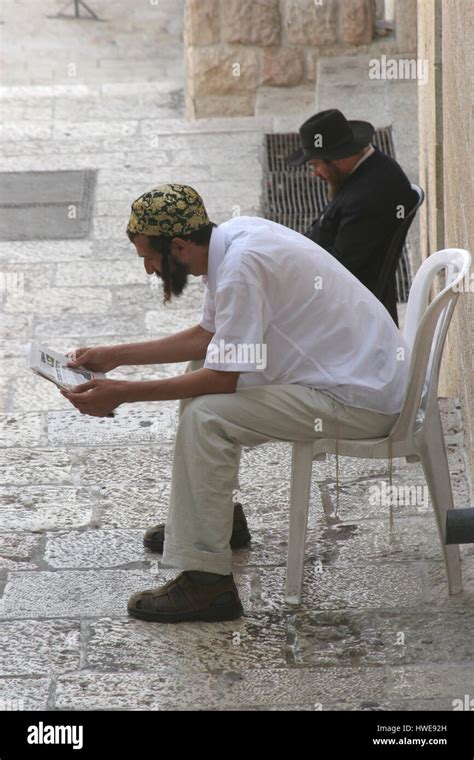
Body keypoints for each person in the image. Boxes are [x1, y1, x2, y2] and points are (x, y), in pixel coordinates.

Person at [62, 184, 410, 623]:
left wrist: (124, 393)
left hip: (361, 399)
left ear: (180, 246)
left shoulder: (241, 267)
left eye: (149, 257)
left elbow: (222, 379)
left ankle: (208, 584)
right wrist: (115, 355)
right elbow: (209, 336)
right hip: (357, 374)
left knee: (208, 417)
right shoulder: (232, 239)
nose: (150, 270)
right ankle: (216, 522)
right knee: (199, 370)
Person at [287, 109, 417, 325]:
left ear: (337, 159)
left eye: (315, 164)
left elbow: (341, 268)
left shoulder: (369, 195)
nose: (315, 173)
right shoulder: (367, 170)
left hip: (348, 311)